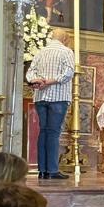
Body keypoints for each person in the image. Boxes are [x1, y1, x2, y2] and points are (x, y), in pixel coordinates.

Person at [26, 28, 75, 180]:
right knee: (53, 132)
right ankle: (52, 170)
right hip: (58, 98)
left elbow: (30, 72)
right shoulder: (67, 52)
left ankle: (42, 170)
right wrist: (50, 81)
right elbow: (68, 73)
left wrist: (37, 81)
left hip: (41, 96)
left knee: (44, 131)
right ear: (65, 39)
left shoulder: (41, 52)